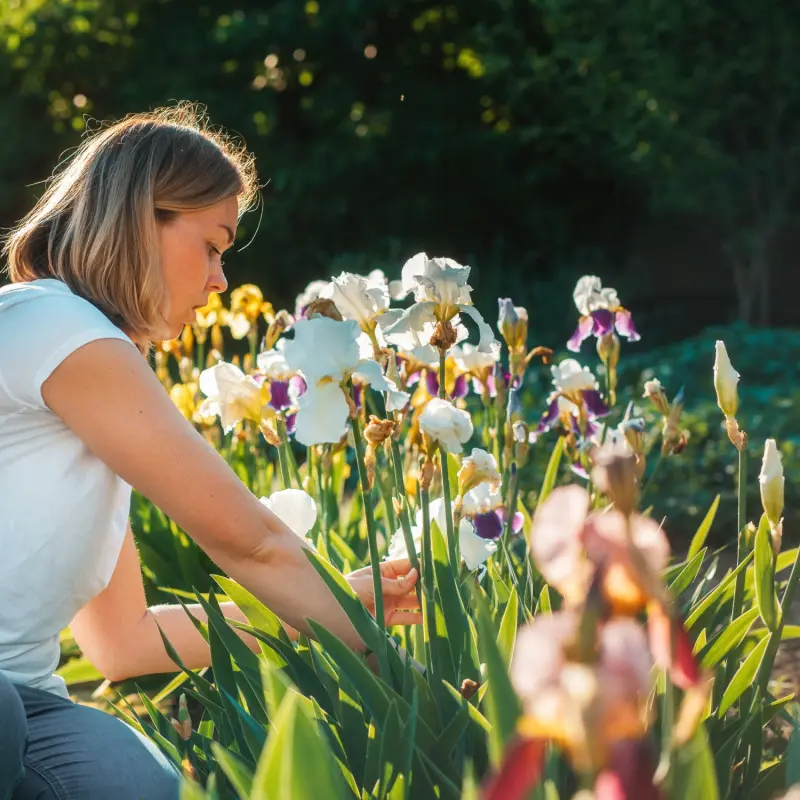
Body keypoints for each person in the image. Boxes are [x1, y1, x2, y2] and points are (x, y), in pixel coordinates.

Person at [0, 103, 421, 799]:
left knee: (132, 782)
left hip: (25, 699)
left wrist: (333, 606)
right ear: (142, 221)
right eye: (214, 245)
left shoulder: (93, 386)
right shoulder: (55, 326)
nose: (221, 279)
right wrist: (403, 678)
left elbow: (123, 641)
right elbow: (248, 540)